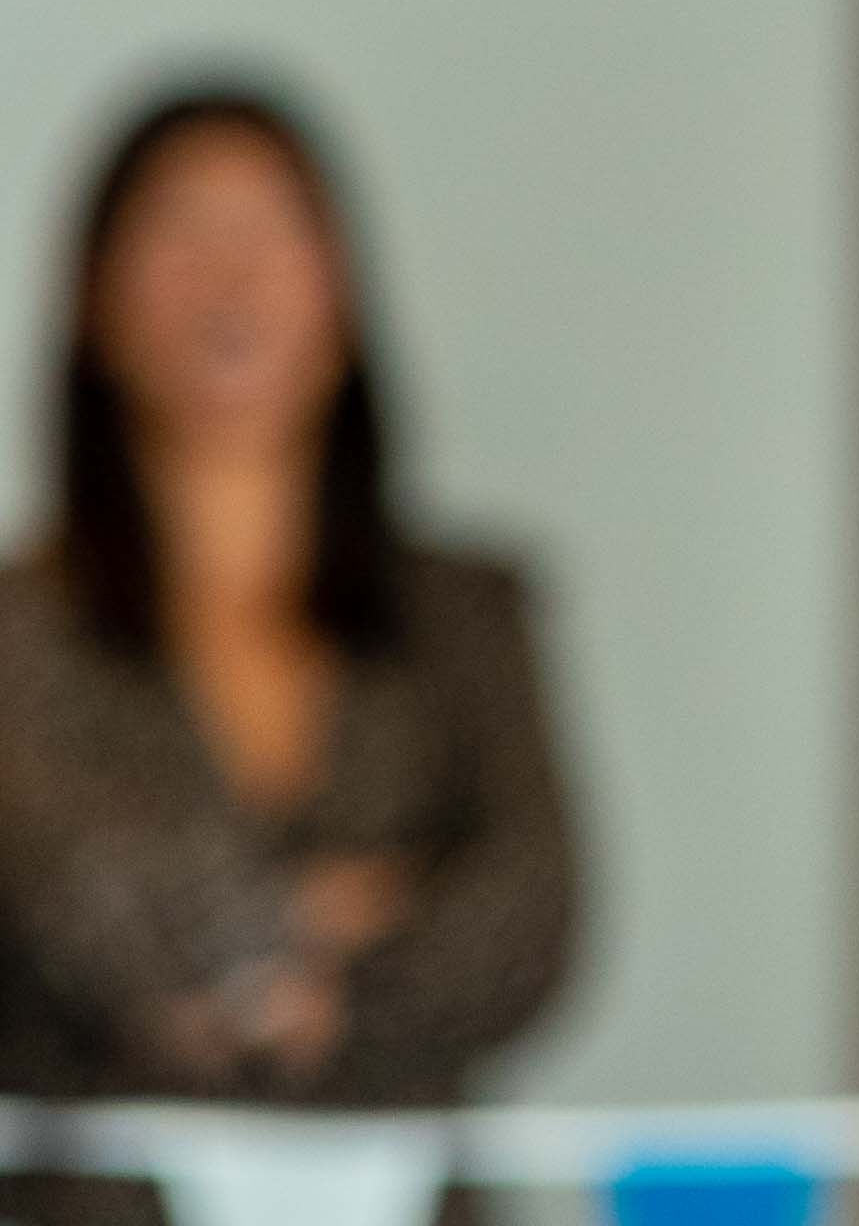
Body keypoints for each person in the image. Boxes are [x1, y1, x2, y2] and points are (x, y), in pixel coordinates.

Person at [0, 87, 575, 1134]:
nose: (232, 276)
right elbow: (60, 907)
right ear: (94, 299)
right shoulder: (19, 629)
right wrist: (360, 901)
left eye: (273, 227)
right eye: (180, 230)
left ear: (342, 293)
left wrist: (274, 971)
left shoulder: (467, 613)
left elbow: (532, 916)